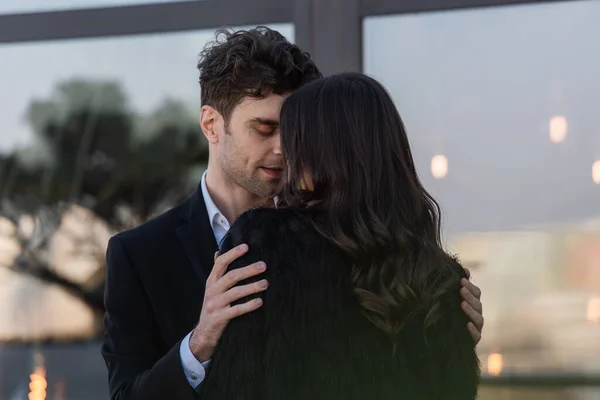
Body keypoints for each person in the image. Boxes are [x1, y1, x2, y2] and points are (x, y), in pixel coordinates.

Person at [101, 27, 484, 400]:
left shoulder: (347, 232)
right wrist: (199, 343)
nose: (284, 148)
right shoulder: (138, 255)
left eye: (295, 131)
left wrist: (440, 331)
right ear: (211, 125)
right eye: (264, 128)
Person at [197, 72, 480, 399]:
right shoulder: (443, 279)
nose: (283, 154)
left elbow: (235, 387)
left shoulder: (266, 243)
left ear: (314, 151)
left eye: (292, 139)